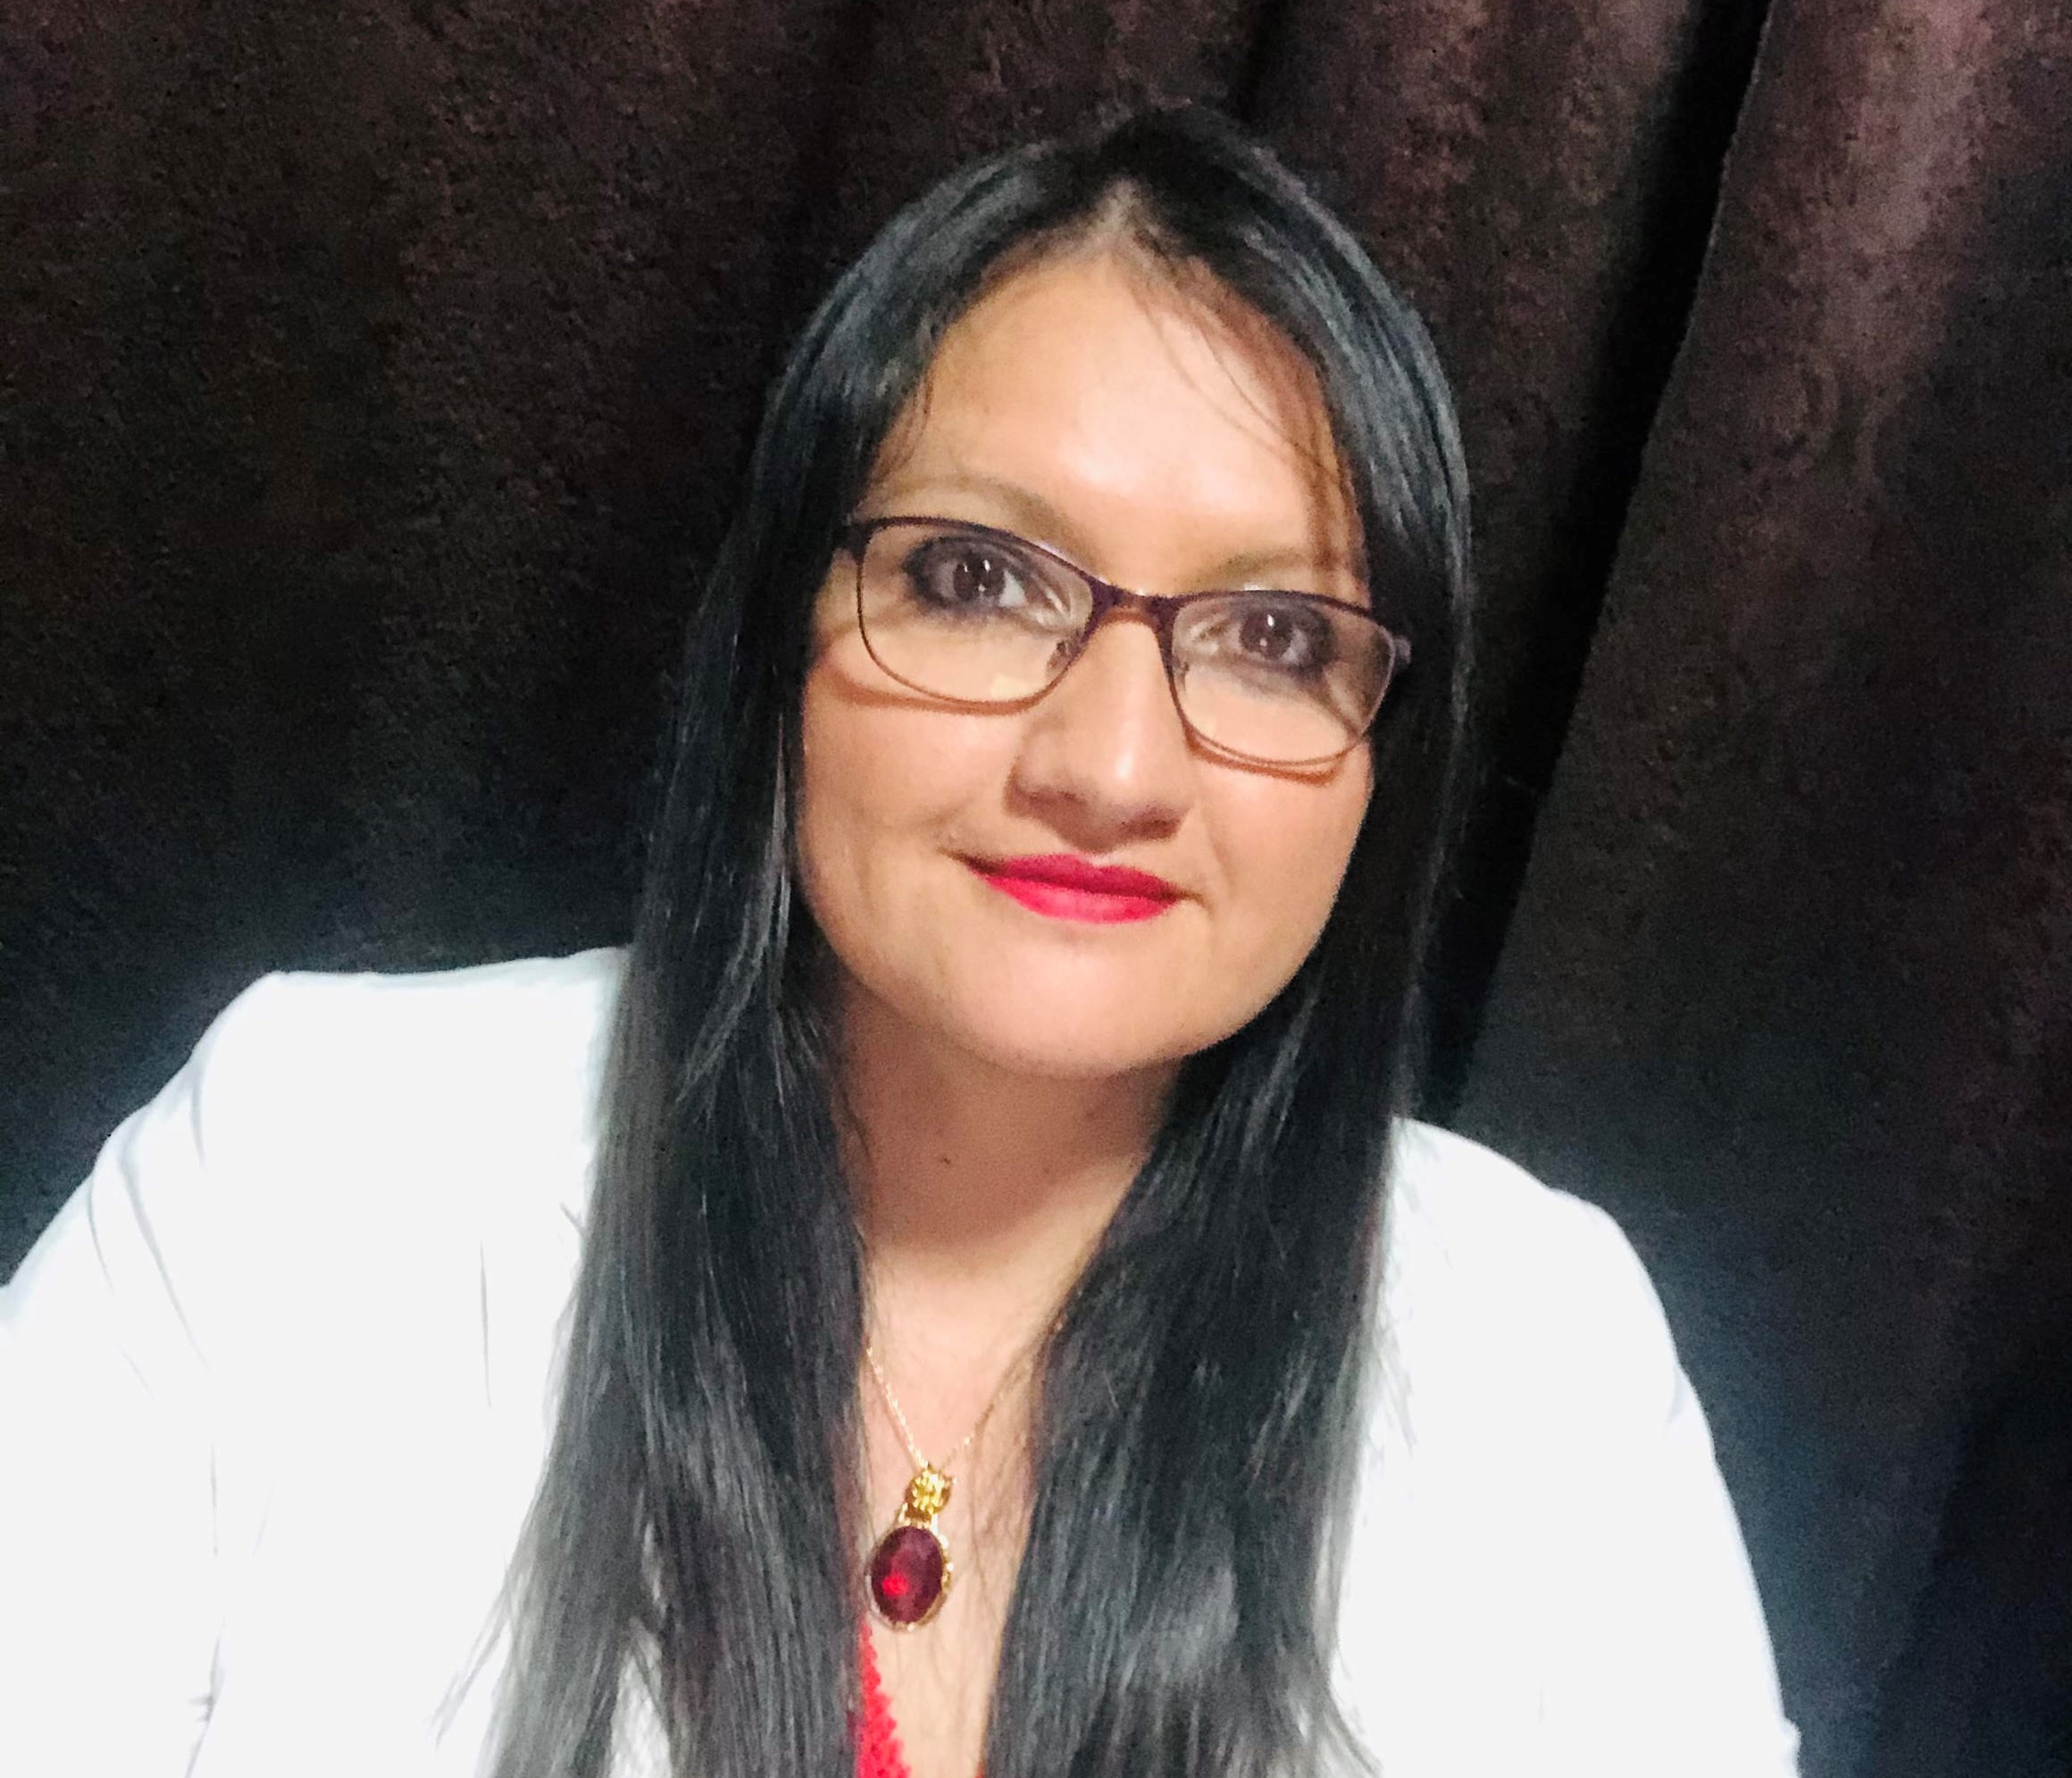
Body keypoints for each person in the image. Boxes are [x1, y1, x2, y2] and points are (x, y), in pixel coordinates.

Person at [0, 106, 1800, 1778]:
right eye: (974, 579)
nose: (1110, 768)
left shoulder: (1542, 1360)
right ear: (781, 630)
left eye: (1272, 637)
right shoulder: (306, 1171)